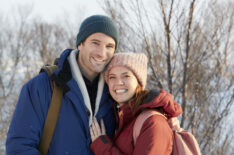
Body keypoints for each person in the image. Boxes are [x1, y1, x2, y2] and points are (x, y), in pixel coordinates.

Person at [6, 15, 119, 155]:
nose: (102, 53)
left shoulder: (115, 94)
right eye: (95, 43)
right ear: (80, 44)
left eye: (109, 46)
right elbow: (19, 147)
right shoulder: (41, 87)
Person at [89, 52, 182, 155]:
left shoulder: (153, 123)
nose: (118, 82)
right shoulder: (122, 118)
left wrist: (103, 148)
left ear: (139, 82)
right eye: (112, 77)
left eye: (126, 76)